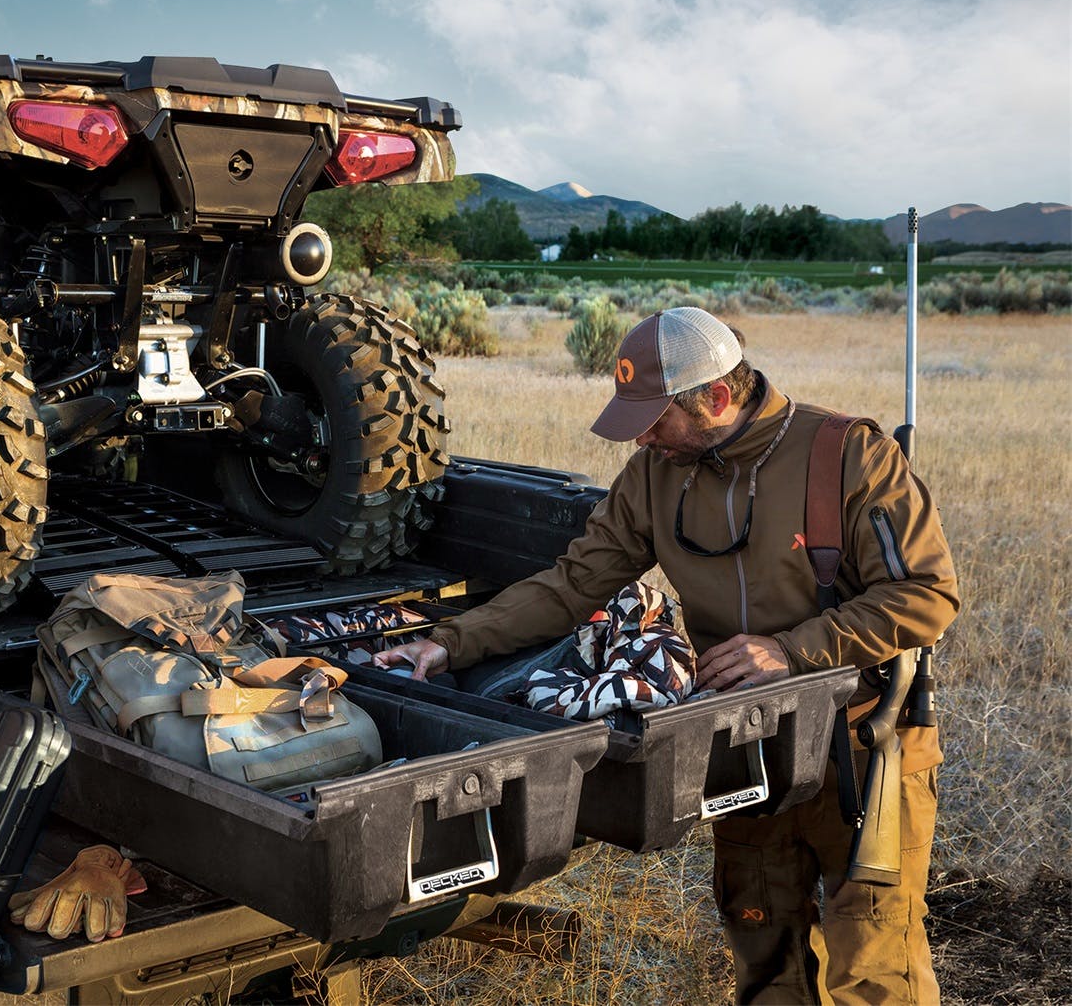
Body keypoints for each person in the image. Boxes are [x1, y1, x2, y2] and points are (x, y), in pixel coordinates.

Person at [373, 306, 957, 1005]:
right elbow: (572, 585)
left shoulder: (846, 456)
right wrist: (449, 641)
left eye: (655, 418)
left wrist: (792, 650)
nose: (644, 436)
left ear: (714, 397)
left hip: (863, 748)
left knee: (874, 962)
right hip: (744, 754)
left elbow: (928, 594)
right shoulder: (656, 472)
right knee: (762, 944)